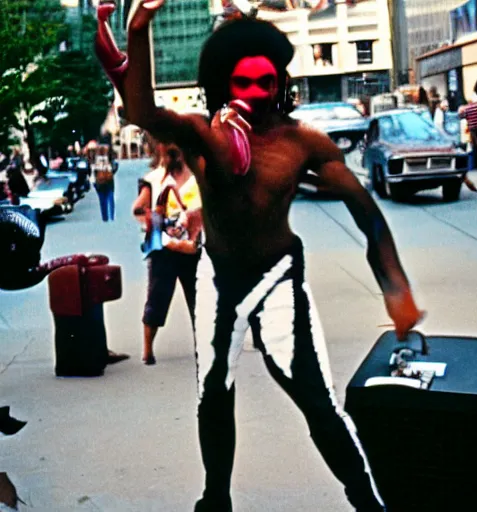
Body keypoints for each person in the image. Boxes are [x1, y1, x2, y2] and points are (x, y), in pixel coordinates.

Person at [96, 4, 423, 511]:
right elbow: (143, 113)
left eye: (266, 82)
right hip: (218, 275)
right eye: (243, 83)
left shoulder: (302, 143)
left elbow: (367, 213)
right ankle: (216, 499)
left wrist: (396, 289)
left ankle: (368, 502)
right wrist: (138, 30)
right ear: (222, 85)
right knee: (212, 393)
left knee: (316, 401)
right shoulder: (205, 136)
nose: (256, 95)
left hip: (277, 277)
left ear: (280, 82)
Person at [132, 141, 203, 365]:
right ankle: (147, 351)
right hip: (166, 248)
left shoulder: (198, 176)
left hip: (189, 246)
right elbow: (138, 208)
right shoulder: (155, 179)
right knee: (161, 298)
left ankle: (149, 351)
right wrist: (154, 218)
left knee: (195, 299)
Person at [91, 144, 116, 222]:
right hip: (107, 181)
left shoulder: (95, 160)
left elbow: (93, 172)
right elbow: (113, 169)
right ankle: (111, 217)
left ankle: (105, 217)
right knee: (110, 199)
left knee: (103, 200)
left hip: (100, 182)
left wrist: (93, 182)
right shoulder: (109, 160)